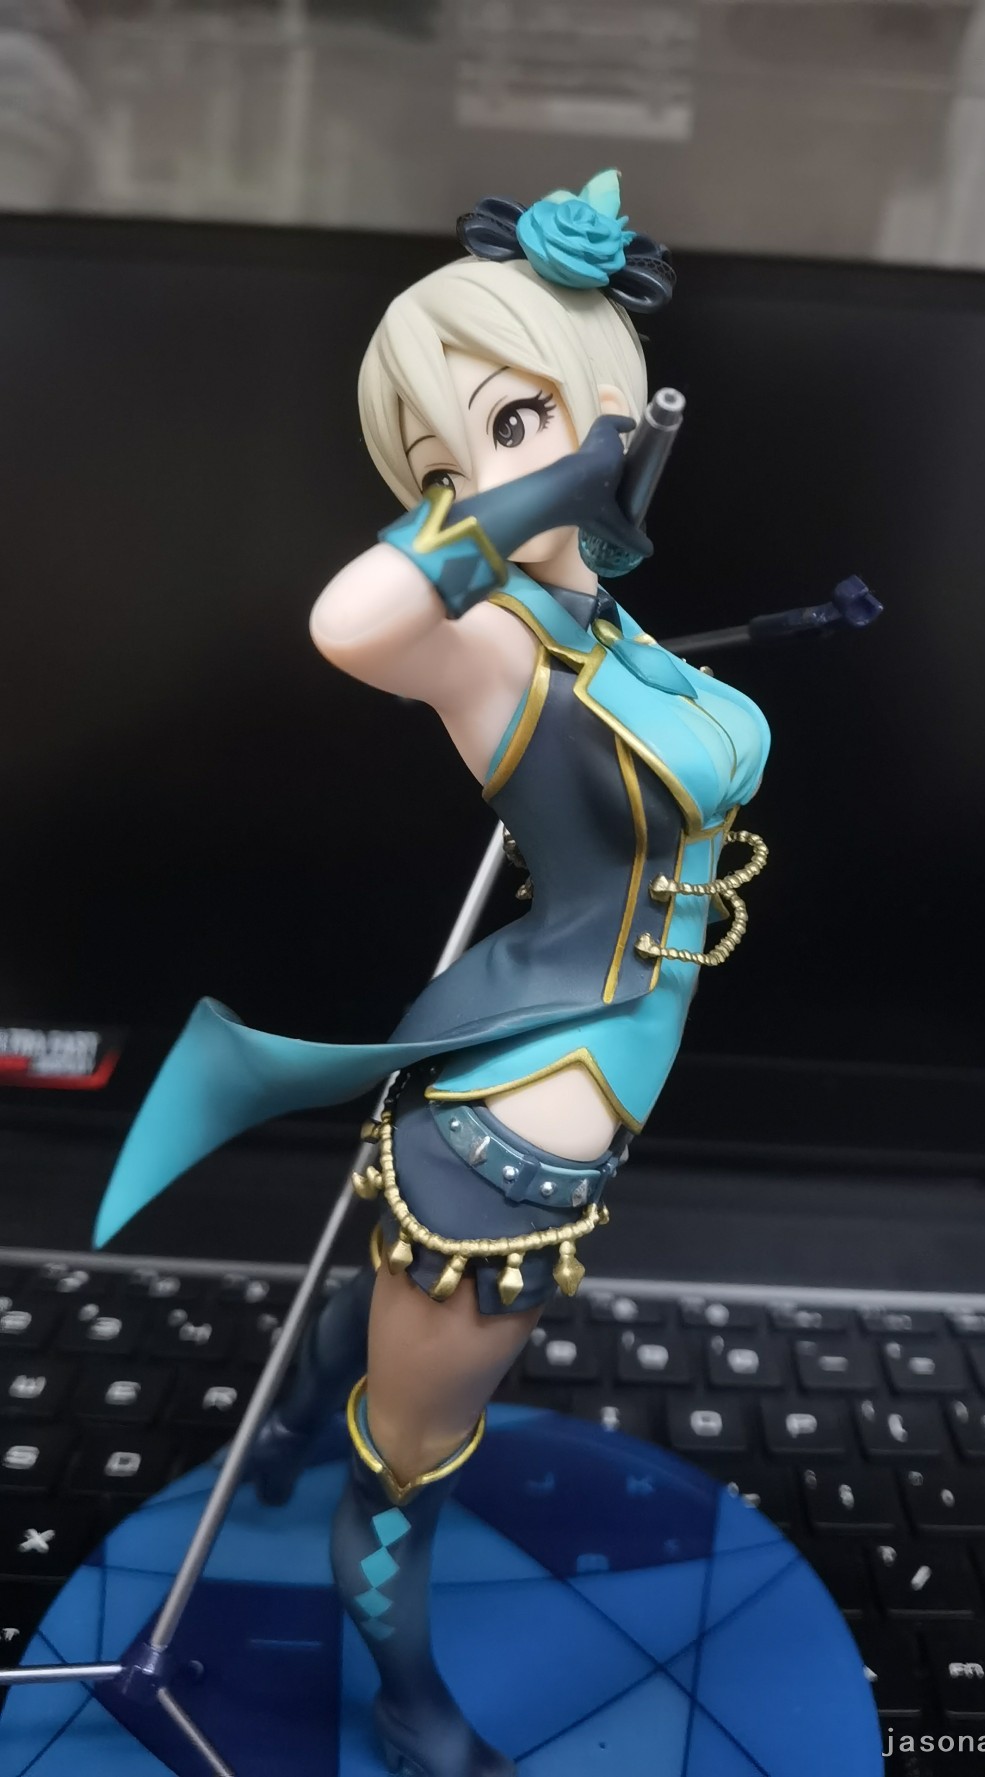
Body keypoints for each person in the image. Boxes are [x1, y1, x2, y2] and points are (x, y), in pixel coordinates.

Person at [93, 170, 771, 1777]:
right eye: (480, 446)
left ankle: (291, 1410)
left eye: (556, 410)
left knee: (387, 1335)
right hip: (511, 1143)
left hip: (582, 1060)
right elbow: (351, 619)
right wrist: (540, 486)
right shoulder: (491, 645)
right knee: (408, 1467)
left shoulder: (606, 632)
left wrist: (584, 510)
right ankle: (407, 1701)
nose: (563, 456)